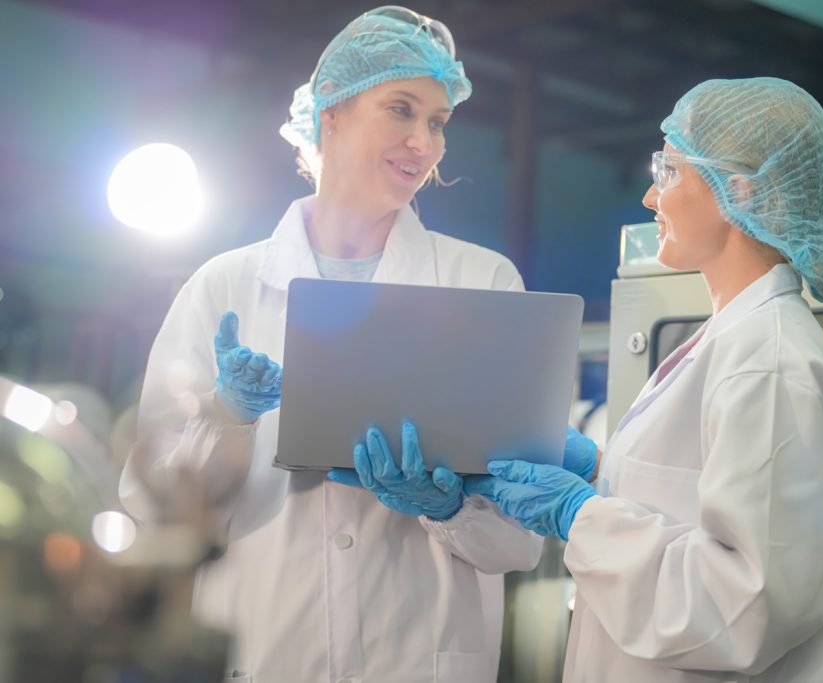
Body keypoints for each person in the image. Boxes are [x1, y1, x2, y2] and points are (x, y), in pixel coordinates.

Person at [119, 7, 542, 682]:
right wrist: (224, 416)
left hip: (422, 659)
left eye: (437, 122)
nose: (423, 142)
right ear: (331, 114)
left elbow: (521, 537)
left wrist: (451, 506)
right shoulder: (224, 286)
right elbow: (149, 506)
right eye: (401, 109)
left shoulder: (483, 282)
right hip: (265, 654)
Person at [463, 77, 823, 682]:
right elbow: (695, 506)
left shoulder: (767, 360)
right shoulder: (731, 338)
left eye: (671, 171)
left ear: (742, 190)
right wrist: (600, 471)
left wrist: (578, 516)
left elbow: (746, 606)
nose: (653, 197)